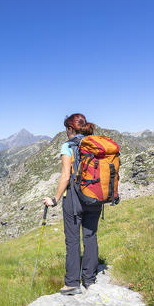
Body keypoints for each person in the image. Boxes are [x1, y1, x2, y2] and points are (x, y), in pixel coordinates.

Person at [42, 113, 102, 295]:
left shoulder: (68, 146)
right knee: (90, 237)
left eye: (66, 129)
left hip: (74, 199)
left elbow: (66, 176)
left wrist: (55, 199)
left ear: (70, 129)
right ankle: (90, 280)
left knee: (73, 240)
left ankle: (72, 283)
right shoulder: (95, 144)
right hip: (95, 197)